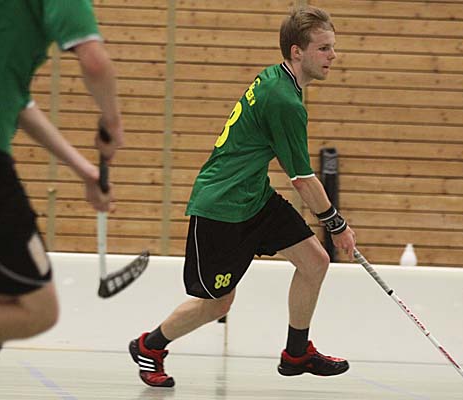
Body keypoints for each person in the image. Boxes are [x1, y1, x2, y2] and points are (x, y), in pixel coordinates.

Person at [129, 5, 355, 388]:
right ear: (297, 51)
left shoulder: (277, 79)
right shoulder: (284, 101)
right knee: (218, 303)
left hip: (254, 197)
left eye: (332, 47)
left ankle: (296, 353)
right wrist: (337, 225)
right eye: (324, 48)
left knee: (315, 261)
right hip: (221, 207)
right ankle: (149, 346)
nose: (333, 55)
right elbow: (302, 179)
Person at [0, 1, 123, 398]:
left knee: (13, 294)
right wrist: (113, 122)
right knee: (38, 310)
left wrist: (85, 170)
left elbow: (16, 101)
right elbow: (95, 62)